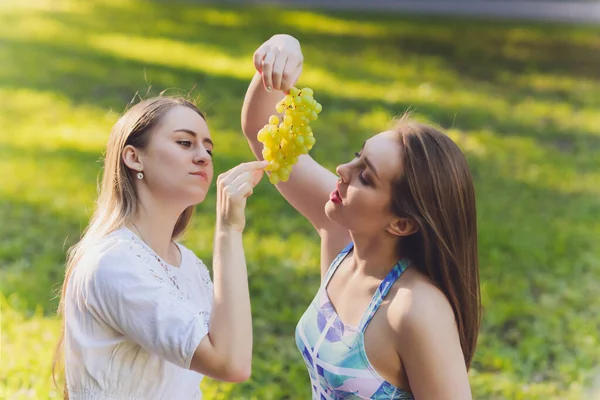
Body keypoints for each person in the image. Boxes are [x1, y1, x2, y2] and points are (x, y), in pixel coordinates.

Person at [241, 34, 481, 399]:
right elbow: (264, 134)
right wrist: (283, 48)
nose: (342, 169)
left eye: (366, 176)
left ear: (402, 224)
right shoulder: (343, 233)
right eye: (357, 155)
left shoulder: (415, 311)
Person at [52, 96, 268, 399]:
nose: (203, 156)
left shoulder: (187, 264)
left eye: (208, 148)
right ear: (133, 157)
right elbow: (230, 364)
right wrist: (229, 230)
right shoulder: (114, 262)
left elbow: (230, 351)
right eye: (185, 143)